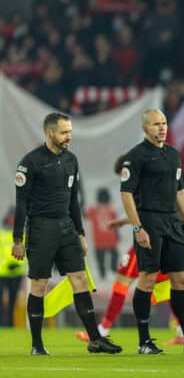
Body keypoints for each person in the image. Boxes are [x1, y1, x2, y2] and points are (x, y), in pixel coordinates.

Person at [11, 112, 122, 355]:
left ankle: (95, 340)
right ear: (50, 133)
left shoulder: (71, 160)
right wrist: (18, 239)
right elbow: (20, 204)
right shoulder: (30, 163)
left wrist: (80, 233)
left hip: (66, 227)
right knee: (39, 285)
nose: (68, 136)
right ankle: (37, 345)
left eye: (70, 131)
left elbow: (73, 201)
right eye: (64, 132)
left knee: (80, 279)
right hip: (40, 229)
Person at [120, 108, 184, 355]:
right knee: (148, 278)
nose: (162, 127)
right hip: (148, 220)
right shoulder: (136, 156)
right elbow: (126, 193)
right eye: (156, 124)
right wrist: (137, 227)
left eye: (164, 123)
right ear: (145, 128)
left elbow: (179, 192)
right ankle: (144, 341)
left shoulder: (173, 155)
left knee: (182, 280)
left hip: (172, 222)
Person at [76, 155, 184, 345]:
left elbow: (148, 211)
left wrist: (131, 224)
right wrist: (123, 222)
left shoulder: (143, 183)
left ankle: (103, 329)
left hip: (147, 239)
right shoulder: (153, 180)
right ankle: (182, 331)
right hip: (159, 236)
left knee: (123, 281)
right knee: (169, 285)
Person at [85, 187, 119, 280]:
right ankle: (113, 268)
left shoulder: (93, 210)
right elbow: (115, 225)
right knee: (114, 254)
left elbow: (85, 215)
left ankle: (102, 273)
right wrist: (117, 236)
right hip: (111, 239)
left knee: (100, 258)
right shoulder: (112, 210)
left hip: (98, 240)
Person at [0, 207, 25, 327]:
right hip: (2, 273)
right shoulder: (1, 233)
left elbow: (24, 254)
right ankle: (2, 324)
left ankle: (10, 325)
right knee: (1, 302)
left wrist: (17, 264)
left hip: (17, 273)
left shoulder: (21, 235)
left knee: (12, 302)